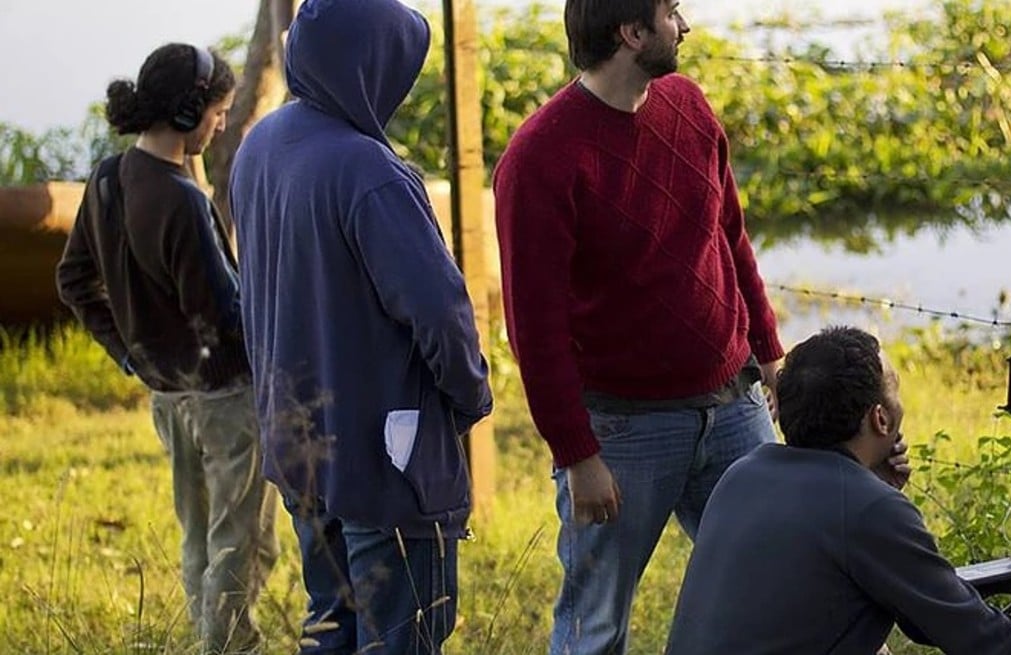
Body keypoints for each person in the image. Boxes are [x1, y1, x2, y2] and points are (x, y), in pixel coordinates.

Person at [490, 1, 799, 652]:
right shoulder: (540, 156)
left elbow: (731, 238)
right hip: (624, 431)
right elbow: (534, 326)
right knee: (595, 625)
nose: (684, 25)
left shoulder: (689, 105)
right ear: (631, 34)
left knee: (781, 583)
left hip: (732, 406)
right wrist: (577, 453)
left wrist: (769, 353)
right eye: (670, 13)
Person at [228, 0, 493, 653]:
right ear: (367, 67)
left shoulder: (259, 145)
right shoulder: (370, 172)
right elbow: (440, 310)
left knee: (330, 628)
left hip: (299, 444)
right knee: (402, 633)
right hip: (384, 458)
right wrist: (469, 397)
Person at [55, 43, 279, 654]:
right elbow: (223, 315)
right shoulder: (182, 203)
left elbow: (73, 280)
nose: (220, 125)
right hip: (225, 398)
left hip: (166, 395)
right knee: (245, 541)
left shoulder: (106, 178)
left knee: (200, 537)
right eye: (216, 113)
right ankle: (231, 647)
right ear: (188, 112)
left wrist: (130, 354)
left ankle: (212, 639)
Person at [665, 326, 1011, 655]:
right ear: (880, 417)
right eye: (894, 388)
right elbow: (971, 633)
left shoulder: (743, 473)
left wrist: (873, 486)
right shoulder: (865, 508)